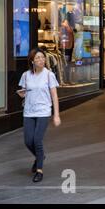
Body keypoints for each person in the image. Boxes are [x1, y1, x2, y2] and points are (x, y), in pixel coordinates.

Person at [17, 48, 61, 183]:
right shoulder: (26, 75)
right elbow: (23, 92)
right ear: (32, 61)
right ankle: (40, 156)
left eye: (42, 57)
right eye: (37, 58)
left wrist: (56, 115)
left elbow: (54, 96)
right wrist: (22, 94)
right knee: (28, 141)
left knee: (37, 140)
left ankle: (39, 170)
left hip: (43, 111)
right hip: (29, 111)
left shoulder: (49, 75)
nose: (41, 60)